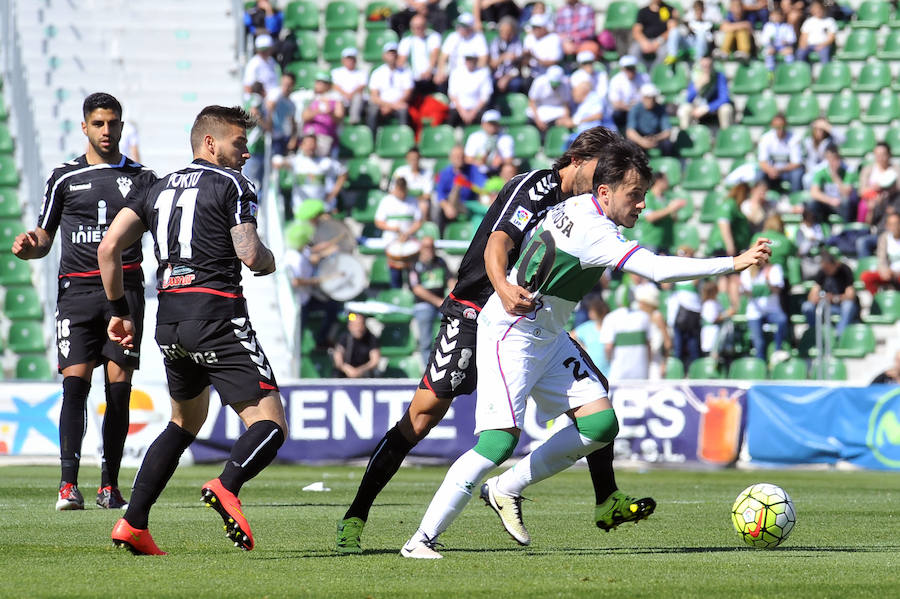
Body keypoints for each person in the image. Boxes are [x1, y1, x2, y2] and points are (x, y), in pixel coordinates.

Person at [400, 134, 772, 558]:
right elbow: (656, 270)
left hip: (548, 335)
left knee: (599, 425)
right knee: (497, 443)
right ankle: (420, 540)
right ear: (605, 191)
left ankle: (505, 488)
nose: (642, 205)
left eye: (644, 196)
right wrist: (734, 262)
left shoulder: (574, 206)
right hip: (512, 334)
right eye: (635, 195)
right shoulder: (597, 231)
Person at [336, 128, 657, 555]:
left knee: (593, 394)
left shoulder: (586, 207)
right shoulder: (534, 186)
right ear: (579, 160)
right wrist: (503, 287)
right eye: (604, 169)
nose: (611, 181)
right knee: (421, 418)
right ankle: (356, 514)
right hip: (474, 312)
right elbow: (497, 244)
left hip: (528, 324)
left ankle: (606, 499)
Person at [99, 105, 286, 555]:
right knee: (271, 424)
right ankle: (228, 485)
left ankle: (133, 523)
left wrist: (119, 312)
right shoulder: (234, 184)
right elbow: (249, 253)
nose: (245, 153)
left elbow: (108, 249)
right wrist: (270, 260)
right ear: (210, 143)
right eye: (239, 143)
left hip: (170, 322)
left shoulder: (155, 186)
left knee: (184, 422)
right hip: (218, 316)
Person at [11, 93, 156, 511]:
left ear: (122, 127)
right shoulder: (63, 177)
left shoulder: (143, 178)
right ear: (84, 127)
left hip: (125, 293)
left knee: (119, 390)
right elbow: (44, 237)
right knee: (75, 384)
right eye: (98, 123)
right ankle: (67, 485)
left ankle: (109, 485)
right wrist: (28, 245)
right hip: (76, 294)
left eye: (113, 123)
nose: (106, 131)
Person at [283, 219, 341, 349]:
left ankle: (321, 339)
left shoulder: (302, 251)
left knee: (332, 306)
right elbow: (296, 281)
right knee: (298, 335)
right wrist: (319, 280)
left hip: (307, 298)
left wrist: (329, 247)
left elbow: (313, 253)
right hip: (300, 303)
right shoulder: (294, 259)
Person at [409, 236, 454, 367]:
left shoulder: (440, 261)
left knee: (455, 323)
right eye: (426, 247)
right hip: (423, 304)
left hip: (441, 302)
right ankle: (427, 370)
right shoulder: (415, 264)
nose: (429, 250)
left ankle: (448, 365)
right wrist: (437, 301)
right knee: (425, 341)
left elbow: (450, 280)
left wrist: (453, 294)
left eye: (431, 247)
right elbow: (417, 289)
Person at [374, 177, 427, 288]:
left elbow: (419, 221)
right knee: (395, 273)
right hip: (392, 242)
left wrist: (407, 233)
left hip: (409, 243)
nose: (402, 194)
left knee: (412, 275)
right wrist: (394, 229)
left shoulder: (412, 200)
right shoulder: (386, 201)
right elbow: (378, 222)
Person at [801, 250, 859, 338]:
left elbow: (850, 296)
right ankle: (816, 334)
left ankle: (839, 336)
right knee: (807, 306)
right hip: (827, 307)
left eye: (828, 268)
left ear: (835, 264)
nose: (826, 271)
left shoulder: (845, 270)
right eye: (824, 268)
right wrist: (819, 298)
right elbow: (812, 296)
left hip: (840, 307)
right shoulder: (822, 272)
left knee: (848, 306)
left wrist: (834, 298)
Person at [289, 134, 347, 217]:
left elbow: (343, 173)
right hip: (301, 211)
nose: (310, 147)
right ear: (301, 146)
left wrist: (332, 194)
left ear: (316, 146)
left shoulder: (325, 162)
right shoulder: (295, 161)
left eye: (312, 144)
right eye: (307, 144)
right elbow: (282, 163)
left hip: (321, 211)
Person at [433, 144, 487, 231]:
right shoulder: (445, 173)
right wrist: (447, 207)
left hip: (469, 205)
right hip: (451, 205)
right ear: (450, 158)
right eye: (456, 157)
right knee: (440, 212)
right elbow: (440, 194)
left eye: (461, 156)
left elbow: (483, 186)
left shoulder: (472, 169)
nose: (459, 159)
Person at [741, 262, 789, 360]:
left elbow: (777, 290)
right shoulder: (747, 271)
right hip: (754, 312)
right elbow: (745, 291)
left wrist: (767, 280)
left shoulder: (774, 269)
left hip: (772, 311)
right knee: (759, 343)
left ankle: (778, 350)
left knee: (782, 320)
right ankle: (761, 367)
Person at [677, 56, 734, 131]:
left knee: (726, 109)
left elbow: (724, 98)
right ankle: (685, 138)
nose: (706, 69)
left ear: (712, 66)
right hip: (697, 107)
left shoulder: (719, 77)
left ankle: (725, 137)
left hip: (713, 108)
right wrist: (698, 86)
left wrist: (707, 108)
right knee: (684, 109)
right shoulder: (695, 77)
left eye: (709, 66)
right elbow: (688, 99)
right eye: (704, 66)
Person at [367, 42, 414, 132]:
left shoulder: (405, 72)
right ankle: (371, 140)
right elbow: (374, 96)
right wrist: (389, 105)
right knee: (372, 111)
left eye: (393, 53)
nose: (392, 56)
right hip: (383, 105)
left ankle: (403, 139)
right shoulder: (377, 73)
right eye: (389, 53)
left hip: (399, 104)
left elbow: (408, 92)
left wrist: (393, 106)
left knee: (404, 110)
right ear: (384, 56)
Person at [435, 13, 488, 89]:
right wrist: (440, 72)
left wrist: (473, 74)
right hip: (454, 73)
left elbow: (483, 60)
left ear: (470, 27)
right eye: (459, 26)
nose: (460, 28)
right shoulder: (453, 37)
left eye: (464, 26)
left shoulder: (478, 38)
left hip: (471, 72)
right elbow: (443, 57)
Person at [809, 144, 857, 224]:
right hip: (827, 202)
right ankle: (819, 229)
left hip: (840, 204)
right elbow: (814, 193)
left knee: (846, 202)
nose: (832, 162)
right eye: (830, 159)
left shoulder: (848, 170)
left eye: (835, 159)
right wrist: (830, 200)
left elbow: (846, 193)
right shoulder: (821, 170)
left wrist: (835, 176)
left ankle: (846, 230)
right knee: (812, 203)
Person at [300, 71, 344, 157]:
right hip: (309, 135)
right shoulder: (311, 98)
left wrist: (329, 113)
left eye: (323, 82)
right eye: (318, 82)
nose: (319, 84)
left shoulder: (336, 99)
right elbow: (304, 117)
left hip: (325, 136)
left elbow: (339, 118)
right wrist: (317, 111)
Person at [758, 113, 804, 194]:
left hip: (787, 172)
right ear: (772, 126)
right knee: (760, 174)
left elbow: (796, 163)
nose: (780, 129)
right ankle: (762, 198)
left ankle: (795, 200)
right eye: (777, 127)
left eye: (782, 126)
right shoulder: (766, 138)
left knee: (797, 173)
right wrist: (770, 170)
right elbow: (762, 162)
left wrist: (779, 170)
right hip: (771, 171)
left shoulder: (794, 138)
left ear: (786, 125)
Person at [398, 14, 442, 96]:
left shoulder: (433, 37)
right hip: (413, 78)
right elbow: (401, 61)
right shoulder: (406, 41)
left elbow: (435, 54)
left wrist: (429, 70)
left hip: (430, 76)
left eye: (420, 26)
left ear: (425, 26)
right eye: (415, 27)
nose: (418, 29)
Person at [626, 83, 674, 157]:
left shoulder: (660, 109)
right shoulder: (635, 109)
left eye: (652, 98)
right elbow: (630, 132)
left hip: (656, 138)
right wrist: (642, 141)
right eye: (647, 98)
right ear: (643, 98)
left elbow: (667, 131)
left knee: (667, 145)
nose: (650, 100)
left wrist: (656, 138)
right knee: (630, 145)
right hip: (640, 137)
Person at [447, 53, 493, 127]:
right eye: (468, 59)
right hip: (458, 109)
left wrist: (473, 112)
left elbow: (485, 96)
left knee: (486, 117)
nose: (469, 62)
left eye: (472, 59)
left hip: (477, 109)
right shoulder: (456, 72)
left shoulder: (484, 72)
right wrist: (463, 112)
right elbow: (452, 95)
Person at [464, 109, 515, 176]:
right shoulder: (474, 137)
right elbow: (468, 159)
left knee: (508, 169)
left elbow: (509, 160)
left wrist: (501, 161)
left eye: (495, 123)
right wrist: (479, 162)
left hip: (498, 171)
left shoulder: (506, 138)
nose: (492, 126)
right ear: (483, 124)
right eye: (490, 123)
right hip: (478, 171)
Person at [860, 211, 900, 295]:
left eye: (897, 224)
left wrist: (896, 273)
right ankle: (878, 301)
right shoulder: (884, 238)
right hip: (889, 272)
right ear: (887, 226)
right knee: (866, 277)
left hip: (898, 273)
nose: (895, 227)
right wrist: (884, 271)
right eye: (892, 224)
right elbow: (881, 259)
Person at [631, 0, 680, 68]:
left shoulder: (669, 9)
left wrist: (658, 42)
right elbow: (636, 31)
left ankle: (655, 74)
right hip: (646, 41)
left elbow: (672, 30)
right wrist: (643, 42)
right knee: (634, 51)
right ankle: (641, 73)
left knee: (664, 53)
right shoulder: (643, 11)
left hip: (662, 42)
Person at [526, 65, 574, 133]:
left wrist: (564, 119)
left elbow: (566, 105)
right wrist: (538, 120)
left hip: (556, 111)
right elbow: (532, 102)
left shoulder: (565, 84)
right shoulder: (539, 82)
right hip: (539, 109)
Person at [608, 55, 649, 133]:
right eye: (627, 68)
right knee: (617, 114)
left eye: (632, 68)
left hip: (641, 110)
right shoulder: (616, 80)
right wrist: (631, 108)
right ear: (622, 69)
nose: (630, 71)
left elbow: (648, 97)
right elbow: (615, 104)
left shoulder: (644, 77)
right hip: (624, 111)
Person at [333, 313, 382, 378]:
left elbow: (375, 360)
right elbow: (338, 357)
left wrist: (359, 371)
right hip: (344, 375)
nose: (358, 328)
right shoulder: (344, 337)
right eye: (355, 325)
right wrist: (346, 369)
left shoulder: (371, 338)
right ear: (349, 326)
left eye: (360, 324)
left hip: (365, 376)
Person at [488, 16, 527, 95]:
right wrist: (503, 57)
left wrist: (506, 78)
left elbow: (519, 66)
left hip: (512, 75)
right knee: (489, 83)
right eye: (503, 32)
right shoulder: (495, 42)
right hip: (497, 74)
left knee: (517, 84)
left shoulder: (518, 43)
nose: (506, 35)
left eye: (509, 32)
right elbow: (492, 64)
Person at [265, 72, 299, 160]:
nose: (286, 87)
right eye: (284, 84)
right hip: (274, 137)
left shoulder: (291, 104)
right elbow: (269, 107)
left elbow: (293, 122)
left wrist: (293, 138)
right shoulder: (275, 94)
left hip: (285, 137)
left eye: (289, 85)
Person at [331, 48, 369, 125]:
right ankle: (337, 123)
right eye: (348, 59)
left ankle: (354, 120)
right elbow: (335, 86)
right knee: (336, 98)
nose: (350, 61)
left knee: (358, 97)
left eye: (352, 59)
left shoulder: (362, 72)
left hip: (355, 99)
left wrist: (351, 94)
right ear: (343, 60)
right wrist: (346, 94)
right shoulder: (336, 72)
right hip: (342, 99)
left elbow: (361, 86)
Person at [522, 12, 563, 78]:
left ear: (544, 27)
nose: (534, 30)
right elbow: (525, 63)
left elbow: (554, 62)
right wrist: (525, 57)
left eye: (537, 27)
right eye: (533, 27)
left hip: (549, 75)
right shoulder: (529, 38)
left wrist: (534, 57)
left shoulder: (554, 38)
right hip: (532, 74)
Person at [760, 7, 797, 71]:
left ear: (782, 16)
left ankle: (789, 73)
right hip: (771, 47)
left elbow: (793, 39)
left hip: (783, 48)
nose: (776, 17)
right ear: (770, 16)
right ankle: (770, 74)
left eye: (778, 15)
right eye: (774, 15)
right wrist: (770, 41)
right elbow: (763, 40)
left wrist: (786, 42)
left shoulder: (787, 26)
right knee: (769, 53)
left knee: (789, 54)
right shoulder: (767, 26)